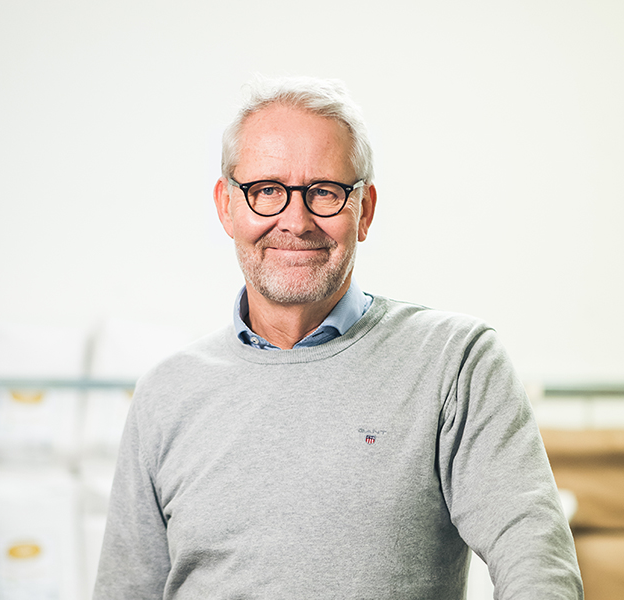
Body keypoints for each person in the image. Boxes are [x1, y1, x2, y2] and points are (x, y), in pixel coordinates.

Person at [93, 76, 583, 599]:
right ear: (227, 207)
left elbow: (536, 560)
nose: (296, 220)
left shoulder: (454, 363)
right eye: (266, 192)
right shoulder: (166, 394)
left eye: (324, 192)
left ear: (364, 210)